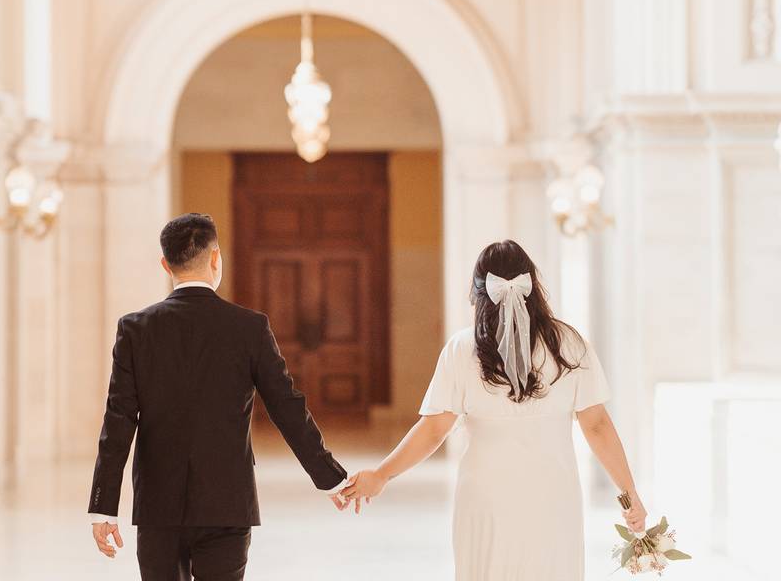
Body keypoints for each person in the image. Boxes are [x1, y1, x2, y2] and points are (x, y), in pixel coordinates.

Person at [341, 239, 647, 581]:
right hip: (553, 498)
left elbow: (433, 430)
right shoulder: (569, 345)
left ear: (479, 293)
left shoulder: (462, 348)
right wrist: (629, 495)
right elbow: (597, 427)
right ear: (533, 285)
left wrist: (381, 475)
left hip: (485, 500)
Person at [88, 213, 348, 580]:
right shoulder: (249, 327)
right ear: (215, 258)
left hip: (158, 505)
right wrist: (330, 477)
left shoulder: (135, 329)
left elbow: (118, 420)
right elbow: (286, 406)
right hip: (227, 502)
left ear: (166, 265)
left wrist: (103, 507)